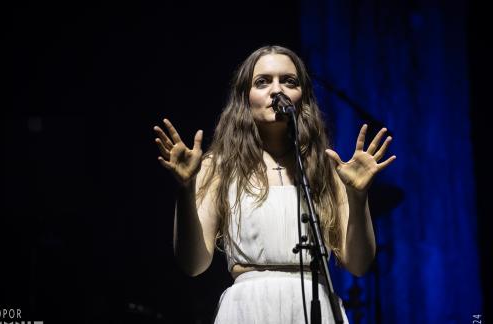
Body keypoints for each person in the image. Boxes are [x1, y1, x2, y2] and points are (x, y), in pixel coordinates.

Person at [152, 45, 395, 323]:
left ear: (302, 97)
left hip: (315, 307)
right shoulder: (218, 165)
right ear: (246, 97)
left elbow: (359, 264)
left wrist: (358, 196)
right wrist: (185, 189)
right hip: (248, 309)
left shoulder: (326, 167)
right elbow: (193, 264)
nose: (276, 90)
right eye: (263, 81)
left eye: (288, 81)